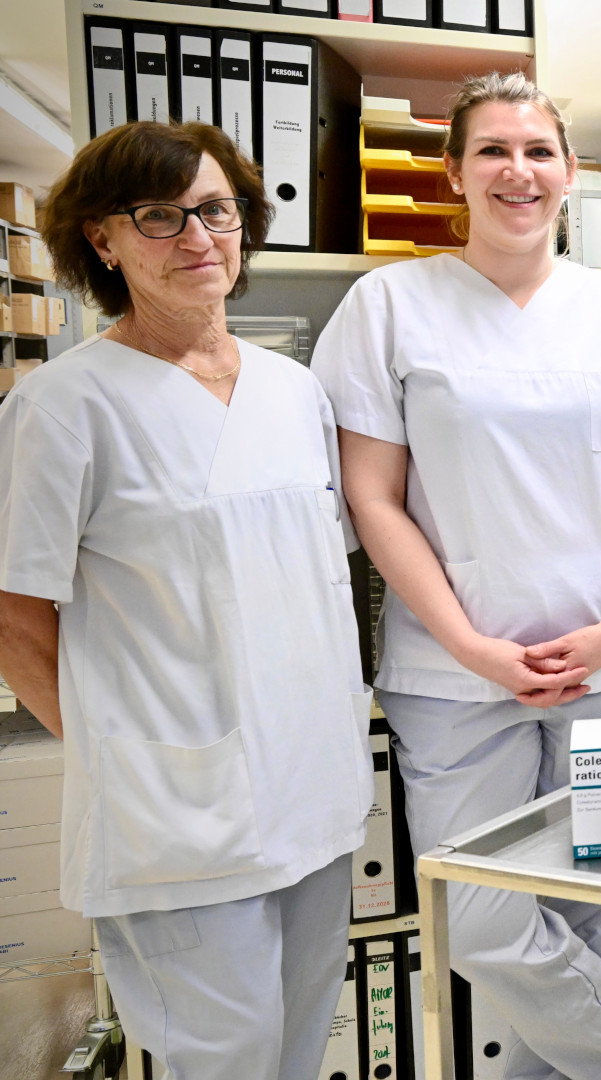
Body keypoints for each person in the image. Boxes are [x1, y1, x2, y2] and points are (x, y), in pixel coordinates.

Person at [314, 73, 601, 1080]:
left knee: (595, 920)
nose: (517, 171)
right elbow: (374, 500)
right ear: (454, 173)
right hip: (455, 677)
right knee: (483, 923)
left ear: (570, 175)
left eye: (538, 151)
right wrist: (472, 645)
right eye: (492, 150)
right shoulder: (387, 307)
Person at [0, 121, 372, 1078]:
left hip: (314, 799)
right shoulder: (62, 407)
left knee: (295, 1051)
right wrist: (127, 760)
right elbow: (14, 616)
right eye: (159, 216)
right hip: (176, 828)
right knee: (226, 1063)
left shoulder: (297, 392)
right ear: (102, 240)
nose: (197, 235)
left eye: (215, 209)